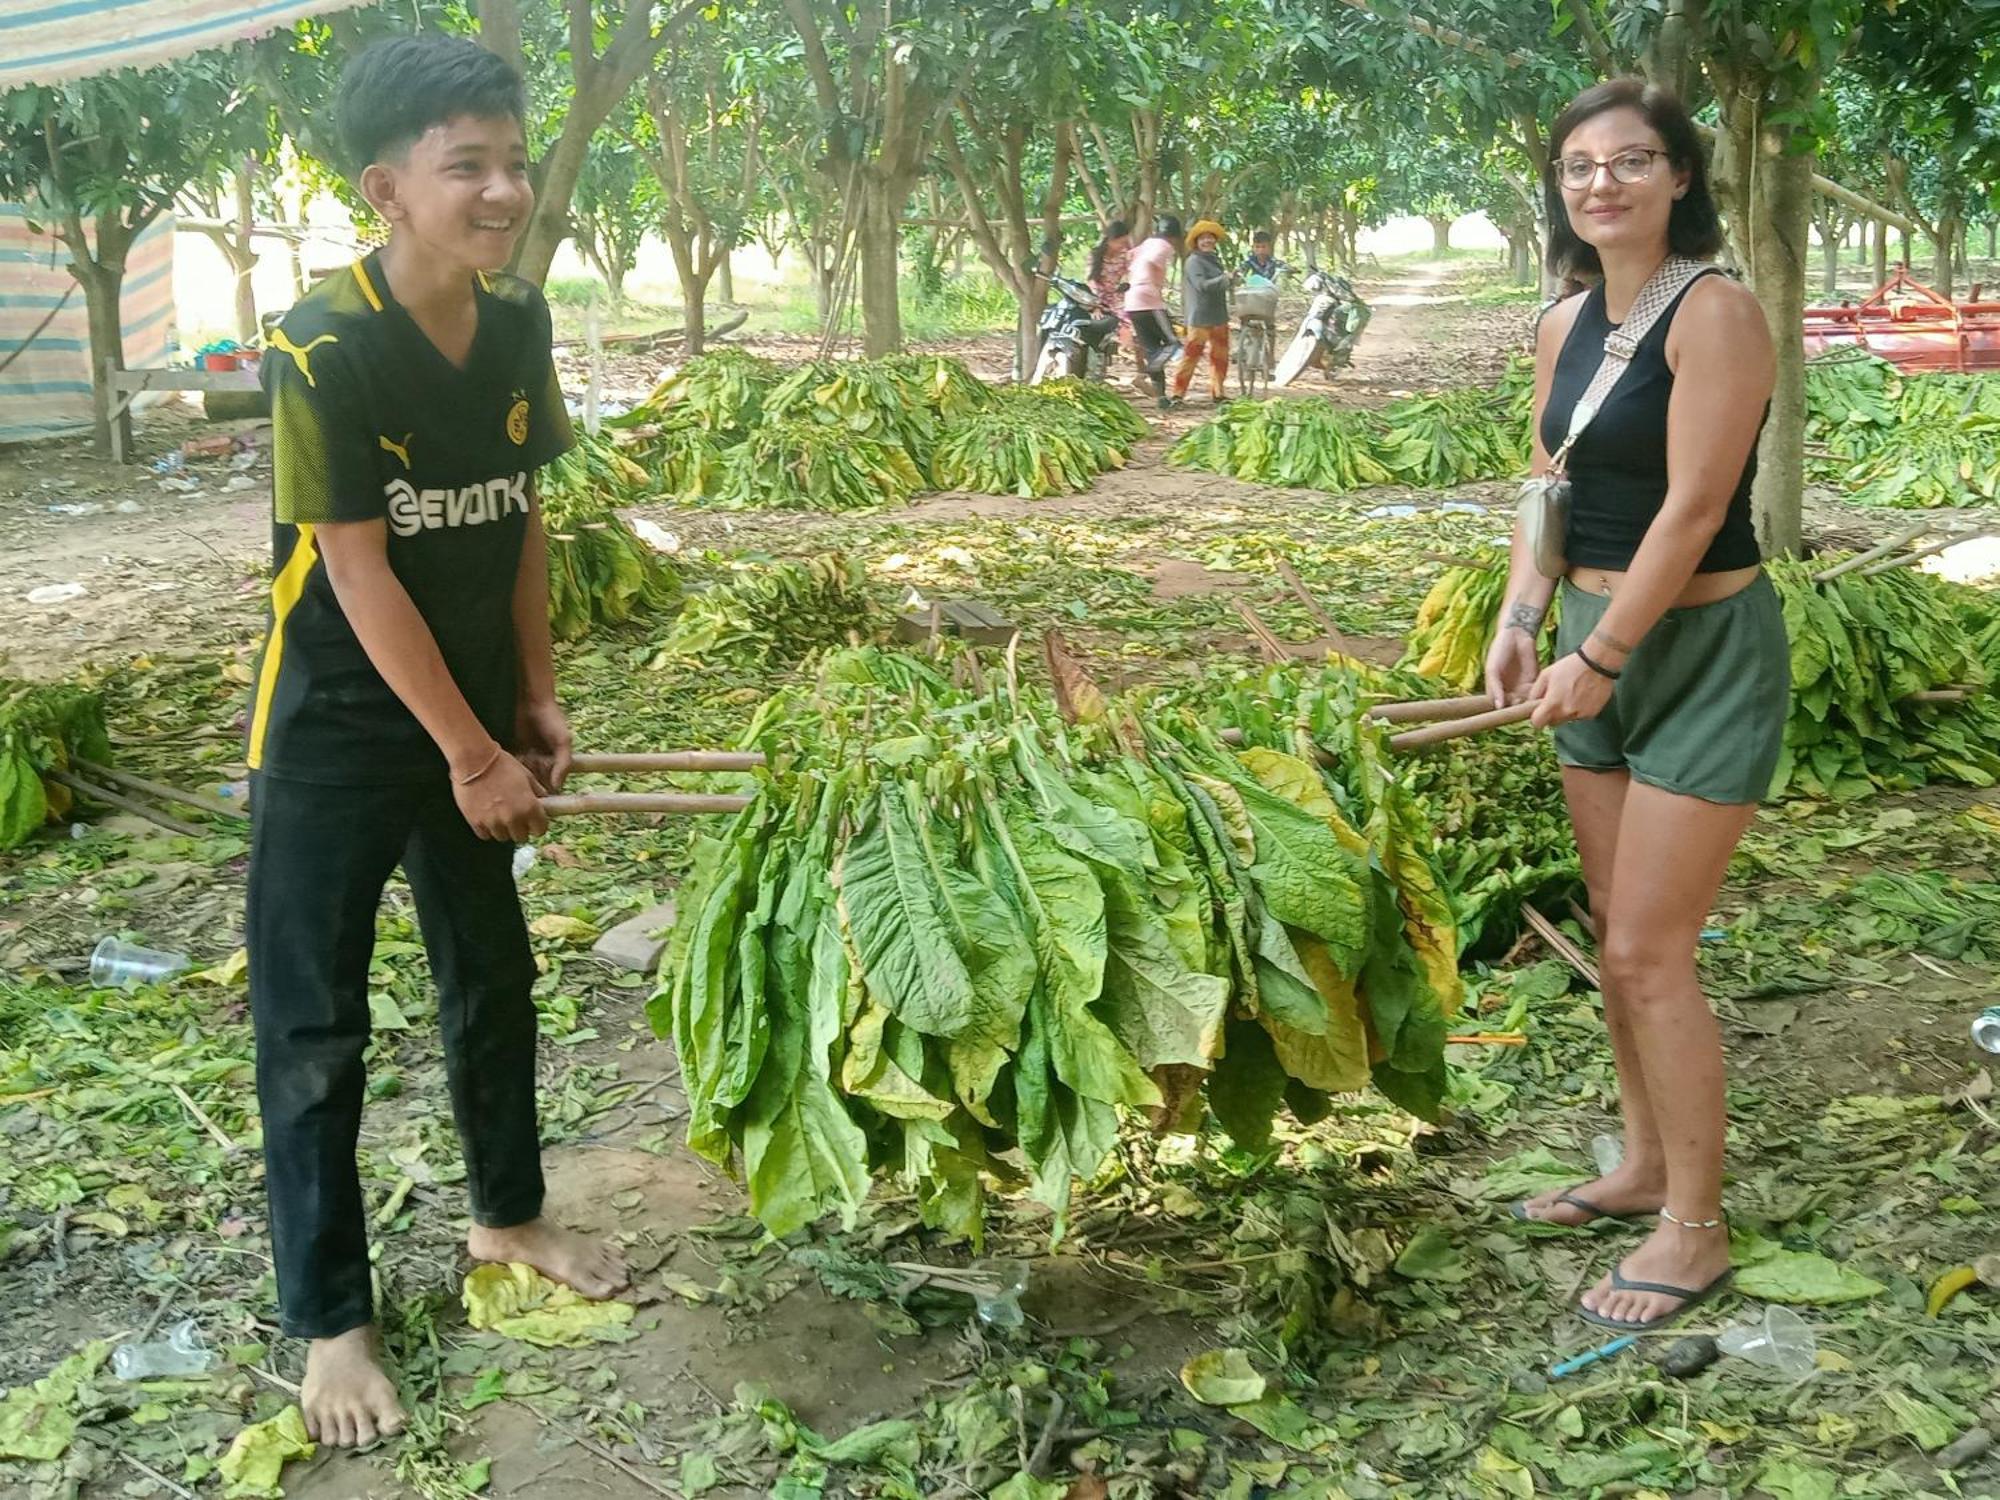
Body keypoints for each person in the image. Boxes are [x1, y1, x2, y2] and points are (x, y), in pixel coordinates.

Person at [247, 35, 628, 1447]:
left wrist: (531, 698)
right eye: (467, 165)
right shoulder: (320, 347)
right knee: (313, 1027)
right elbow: (354, 569)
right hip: (340, 726)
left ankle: (506, 1219)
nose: (505, 191)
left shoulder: (516, 324)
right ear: (387, 188)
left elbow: (522, 521)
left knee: (492, 977)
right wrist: (467, 757)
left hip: (474, 711)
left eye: (515, 163)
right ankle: (332, 1319)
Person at [1491, 79, 1781, 1334]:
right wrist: (1518, 618)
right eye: (1575, 167)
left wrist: (1599, 657)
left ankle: (1696, 1230)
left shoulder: (1714, 313)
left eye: (1630, 160)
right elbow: (1546, 488)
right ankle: (1644, 1163)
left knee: (1648, 953)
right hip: (1582, 632)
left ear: (1678, 178)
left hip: (1695, 646)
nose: (1599, 183)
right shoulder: (1562, 325)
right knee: (1611, 924)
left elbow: (1691, 509)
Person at [1123, 214, 1184, 407]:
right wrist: (1152, 272)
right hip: (1149, 301)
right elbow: (1151, 260)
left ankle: (1161, 399)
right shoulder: (1164, 246)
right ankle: (1146, 373)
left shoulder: (1148, 242)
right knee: (1173, 344)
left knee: (1152, 348)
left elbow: (1129, 255)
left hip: (1132, 302)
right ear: (1174, 236)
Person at [1172, 219, 1232, 405]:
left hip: (1219, 316)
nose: (1207, 241)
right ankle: (1177, 394)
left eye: (1210, 238)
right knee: (1191, 357)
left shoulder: (1215, 260)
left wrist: (1230, 279)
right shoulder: (1194, 262)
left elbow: (1221, 285)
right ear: (1196, 242)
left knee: (1220, 357)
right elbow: (1202, 286)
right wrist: (1223, 279)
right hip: (1199, 318)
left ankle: (1218, 394)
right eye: (1203, 239)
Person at [1087, 218, 1136, 366]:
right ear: (1111, 240)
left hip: (1116, 295)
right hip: (1097, 297)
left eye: (1125, 243)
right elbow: (1091, 282)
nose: (1122, 246)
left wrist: (1128, 284)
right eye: (1120, 242)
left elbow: (1131, 272)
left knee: (1131, 316)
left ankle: (1126, 349)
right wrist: (1095, 305)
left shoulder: (1124, 255)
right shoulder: (1095, 255)